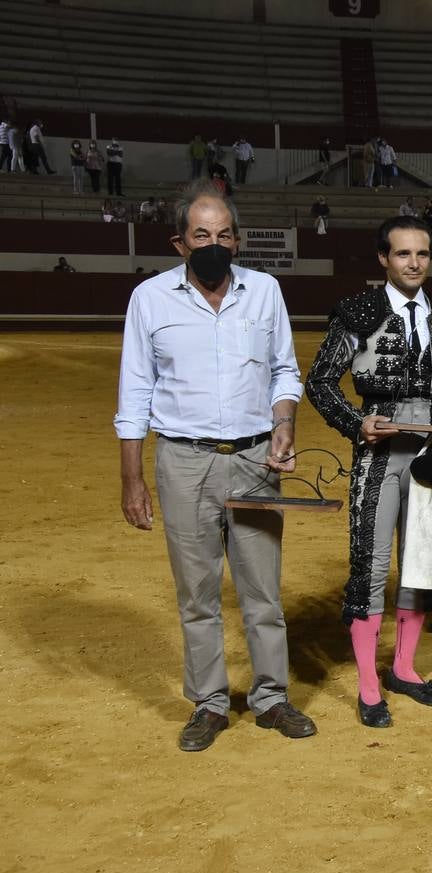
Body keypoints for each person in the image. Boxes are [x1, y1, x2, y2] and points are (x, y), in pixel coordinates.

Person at [114, 180, 315, 751]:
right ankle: (209, 703)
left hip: (256, 459)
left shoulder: (265, 290)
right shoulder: (149, 300)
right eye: (202, 235)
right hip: (183, 463)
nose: (214, 244)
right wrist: (132, 481)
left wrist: (284, 426)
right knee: (197, 593)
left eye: (224, 235)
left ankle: (271, 698)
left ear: (238, 240)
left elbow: (284, 373)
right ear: (180, 242)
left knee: (262, 590)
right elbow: (134, 396)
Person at [306, 216, 432, 726]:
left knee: (420, 567)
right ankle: (367, 684)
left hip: (430, 454)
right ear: (384, 258)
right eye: (403, 254)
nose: (414, 263)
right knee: (371, 569)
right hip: (378, 456)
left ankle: (403, 666)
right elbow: (319, 382)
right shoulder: (358, 313)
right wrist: (358, 423)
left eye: (422, 254)